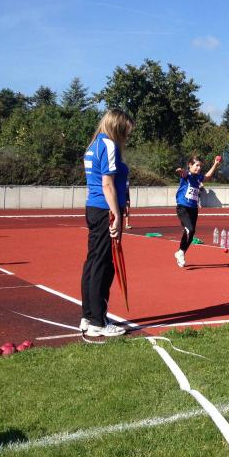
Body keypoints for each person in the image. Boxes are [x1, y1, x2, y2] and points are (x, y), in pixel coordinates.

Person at [81, 108, 135, 339]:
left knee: (93, 262)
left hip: (94, 208)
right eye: (126, 131)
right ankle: (97, 321)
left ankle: (89, 315)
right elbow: (107, 184)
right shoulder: (109, 145)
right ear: (118, 127)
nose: (127, 137)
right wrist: (117, 214)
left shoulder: (93, 145)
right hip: (105, 209)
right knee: (103, 265)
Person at [174, 155, 223, 267]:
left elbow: (207, 177)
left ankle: (181, 252)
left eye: (200, 166)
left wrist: (215, 164)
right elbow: (183, 173)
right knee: (189, 229)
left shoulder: (198, 177)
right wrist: (180, 171)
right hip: (183, 207)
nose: (199, 168)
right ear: (190, 165)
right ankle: (181, 253)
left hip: (193, 208)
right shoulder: (187, 175)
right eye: (197, 165)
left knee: (191, 233)